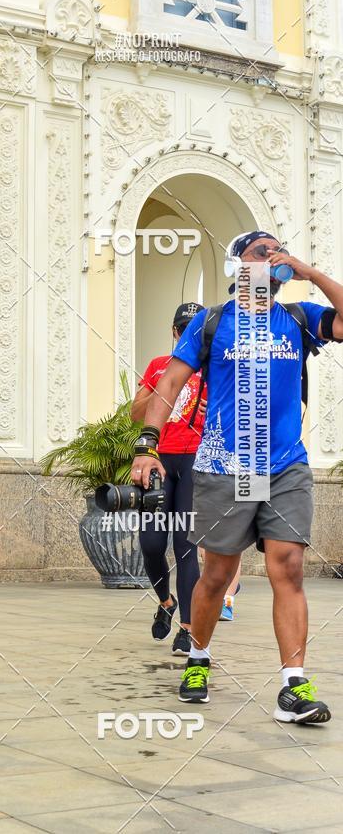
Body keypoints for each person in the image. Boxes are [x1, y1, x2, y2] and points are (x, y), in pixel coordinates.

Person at [130, 231, 343, 724]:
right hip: (227, 467)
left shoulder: (298, 318)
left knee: (287, 568)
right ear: (237, 266)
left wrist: (309, 274)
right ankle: (199, 660)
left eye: (277, 250)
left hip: (286, 465)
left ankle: (293, 687)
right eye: (259, 252)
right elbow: (172, 381)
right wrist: (147, 445)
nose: (273, 257)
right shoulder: (212, 324)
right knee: (218, 574)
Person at [131, 303, 206, 656]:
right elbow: (135, 414)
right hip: (158, 461)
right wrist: (157, 386)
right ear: (174, 331)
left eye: (195, 327)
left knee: (185, 545)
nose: (187, 332)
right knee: (150, 543)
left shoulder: (214, 365)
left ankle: (188, 628)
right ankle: (166, 600)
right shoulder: (160, 365)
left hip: (195, 462)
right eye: (183, 327)